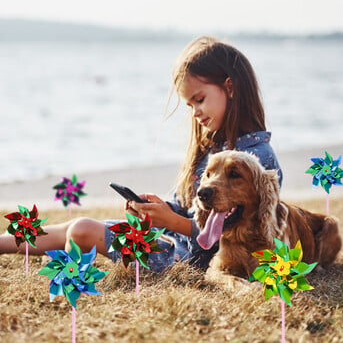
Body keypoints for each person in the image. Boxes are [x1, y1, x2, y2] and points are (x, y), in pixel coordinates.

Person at [0, 36, 282, 272]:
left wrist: (172, 222)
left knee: (83, 229)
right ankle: (2, 244)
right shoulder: (210, 150)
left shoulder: (258, 160)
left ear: (229, 88)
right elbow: (183, 206)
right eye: (188, 105)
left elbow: (246, 236)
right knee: (73, 225)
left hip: (183, 258)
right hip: (167, 238)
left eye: (199, 100)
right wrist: (158, 210)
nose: (195, 112)